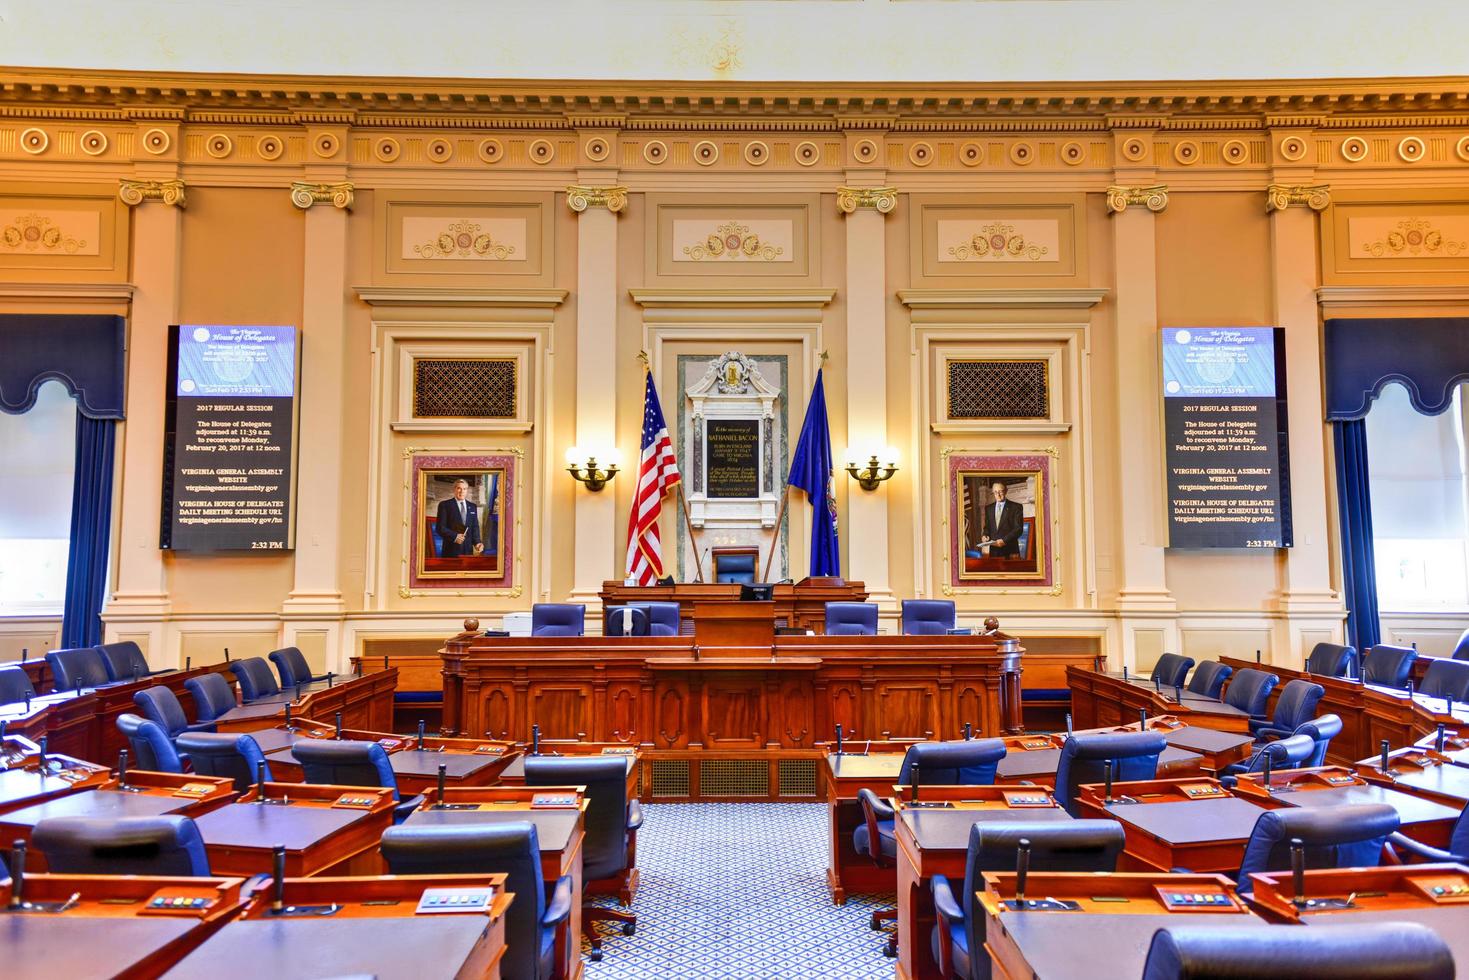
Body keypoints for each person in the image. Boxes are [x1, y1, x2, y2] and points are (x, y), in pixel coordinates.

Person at [435, 479, 483, 558]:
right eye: (459, 488)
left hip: (468, 551)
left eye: (464, 489)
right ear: (454, 489)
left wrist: (477, 542)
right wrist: (455, 536)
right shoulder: (445, 505)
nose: (462, 491)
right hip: (451, 551)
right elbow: (440, 528)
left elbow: (475, 527)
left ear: (467, 490)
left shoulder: (473, 506)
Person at [980, 481, 1023, 558]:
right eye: (995, 492)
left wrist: (1004, 540)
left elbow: (1018, 529)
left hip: (1010, 550)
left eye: (1000, 492)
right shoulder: (989, 508)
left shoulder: (1016, 507)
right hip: (994, 551)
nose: (998, 495)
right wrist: (985, 535)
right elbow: (987, 527)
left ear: (1006, 491)